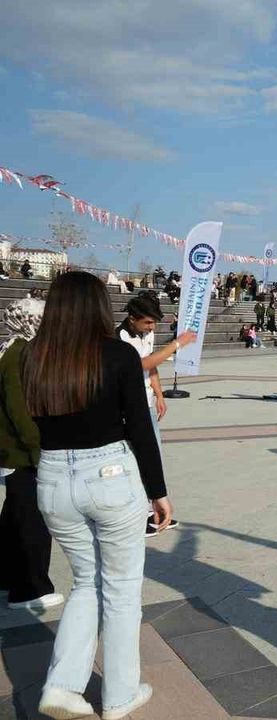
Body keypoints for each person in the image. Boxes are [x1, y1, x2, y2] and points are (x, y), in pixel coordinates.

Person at [29, 271, 172, 720]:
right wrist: (158, 491)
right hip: (108, 472)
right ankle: (120, 694)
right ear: (98, 308)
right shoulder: (118, 354)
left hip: (52, 476)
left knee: (86, 583)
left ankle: (63, 685)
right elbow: (140, 428)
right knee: (122, 589)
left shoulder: (34, 357)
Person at [0, 298, 60, 611]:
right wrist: (38, 448)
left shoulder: (9, 348)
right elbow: (19, 407)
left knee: (13, 518)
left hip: (12, 450)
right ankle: (29, 588)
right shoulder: (20, 353)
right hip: (22, 452)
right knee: (32, 521)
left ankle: (7, 577)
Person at [118, 295, 196, 537]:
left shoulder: (146, 334)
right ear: (133, 319)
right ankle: (140, 515)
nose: (152, 328)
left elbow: (152, 367)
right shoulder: (121, 338)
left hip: (147, 401)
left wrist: (159, 393)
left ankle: (154, 510)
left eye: (154, 323)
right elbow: (141, 364)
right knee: (138, 459)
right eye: (148, 323)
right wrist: (176, 344)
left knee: (154, 456)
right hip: (129, 405)